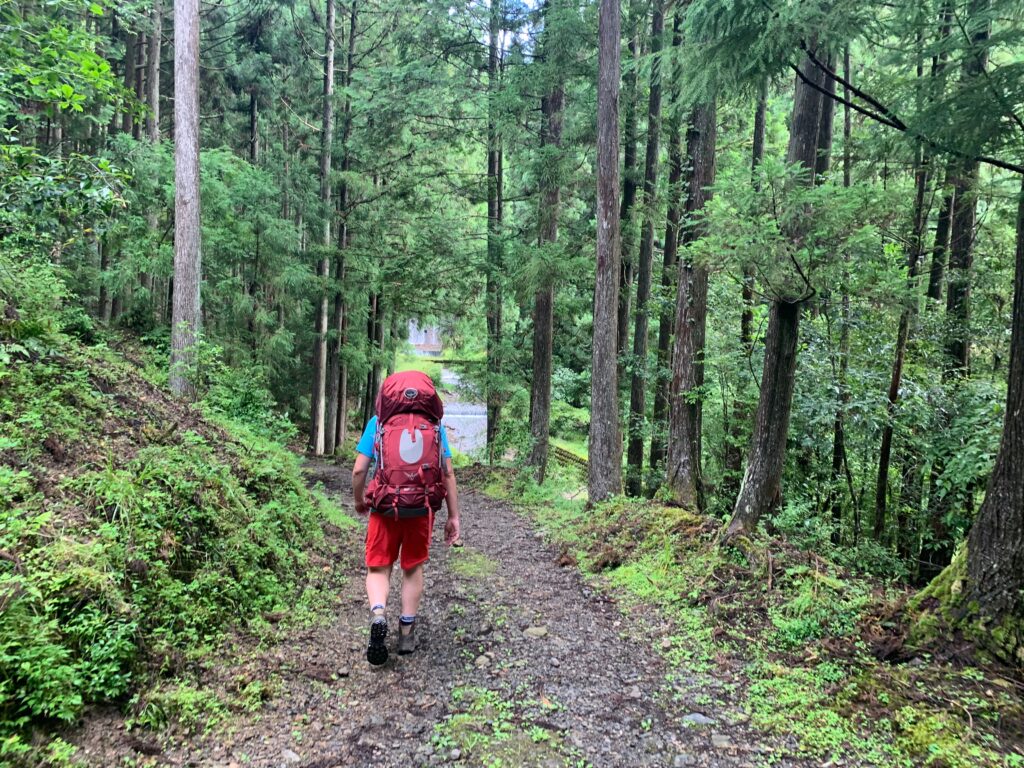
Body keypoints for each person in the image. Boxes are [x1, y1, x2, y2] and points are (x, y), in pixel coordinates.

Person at [352, 373, 461, 665]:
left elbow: (359, 470)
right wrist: (453, 516)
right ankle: (406, 633)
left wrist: (360, 500)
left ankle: (378, 614)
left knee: (378, 567)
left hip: (385, 508)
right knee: (412, 568)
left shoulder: (379, 424)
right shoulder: (435, 428)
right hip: (421, 508)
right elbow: (447, 473)